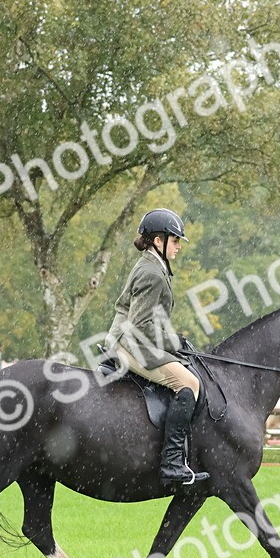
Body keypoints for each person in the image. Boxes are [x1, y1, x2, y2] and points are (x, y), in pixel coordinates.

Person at [105, 208, 208, 487]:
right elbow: (140, 325)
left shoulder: (154, 266)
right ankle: (172, 463)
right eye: (175, 241)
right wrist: (175, 342)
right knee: (188, 384)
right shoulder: (152, 272)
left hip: (135, 339)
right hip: (129, 343)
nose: (178, 247)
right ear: (158, 241)